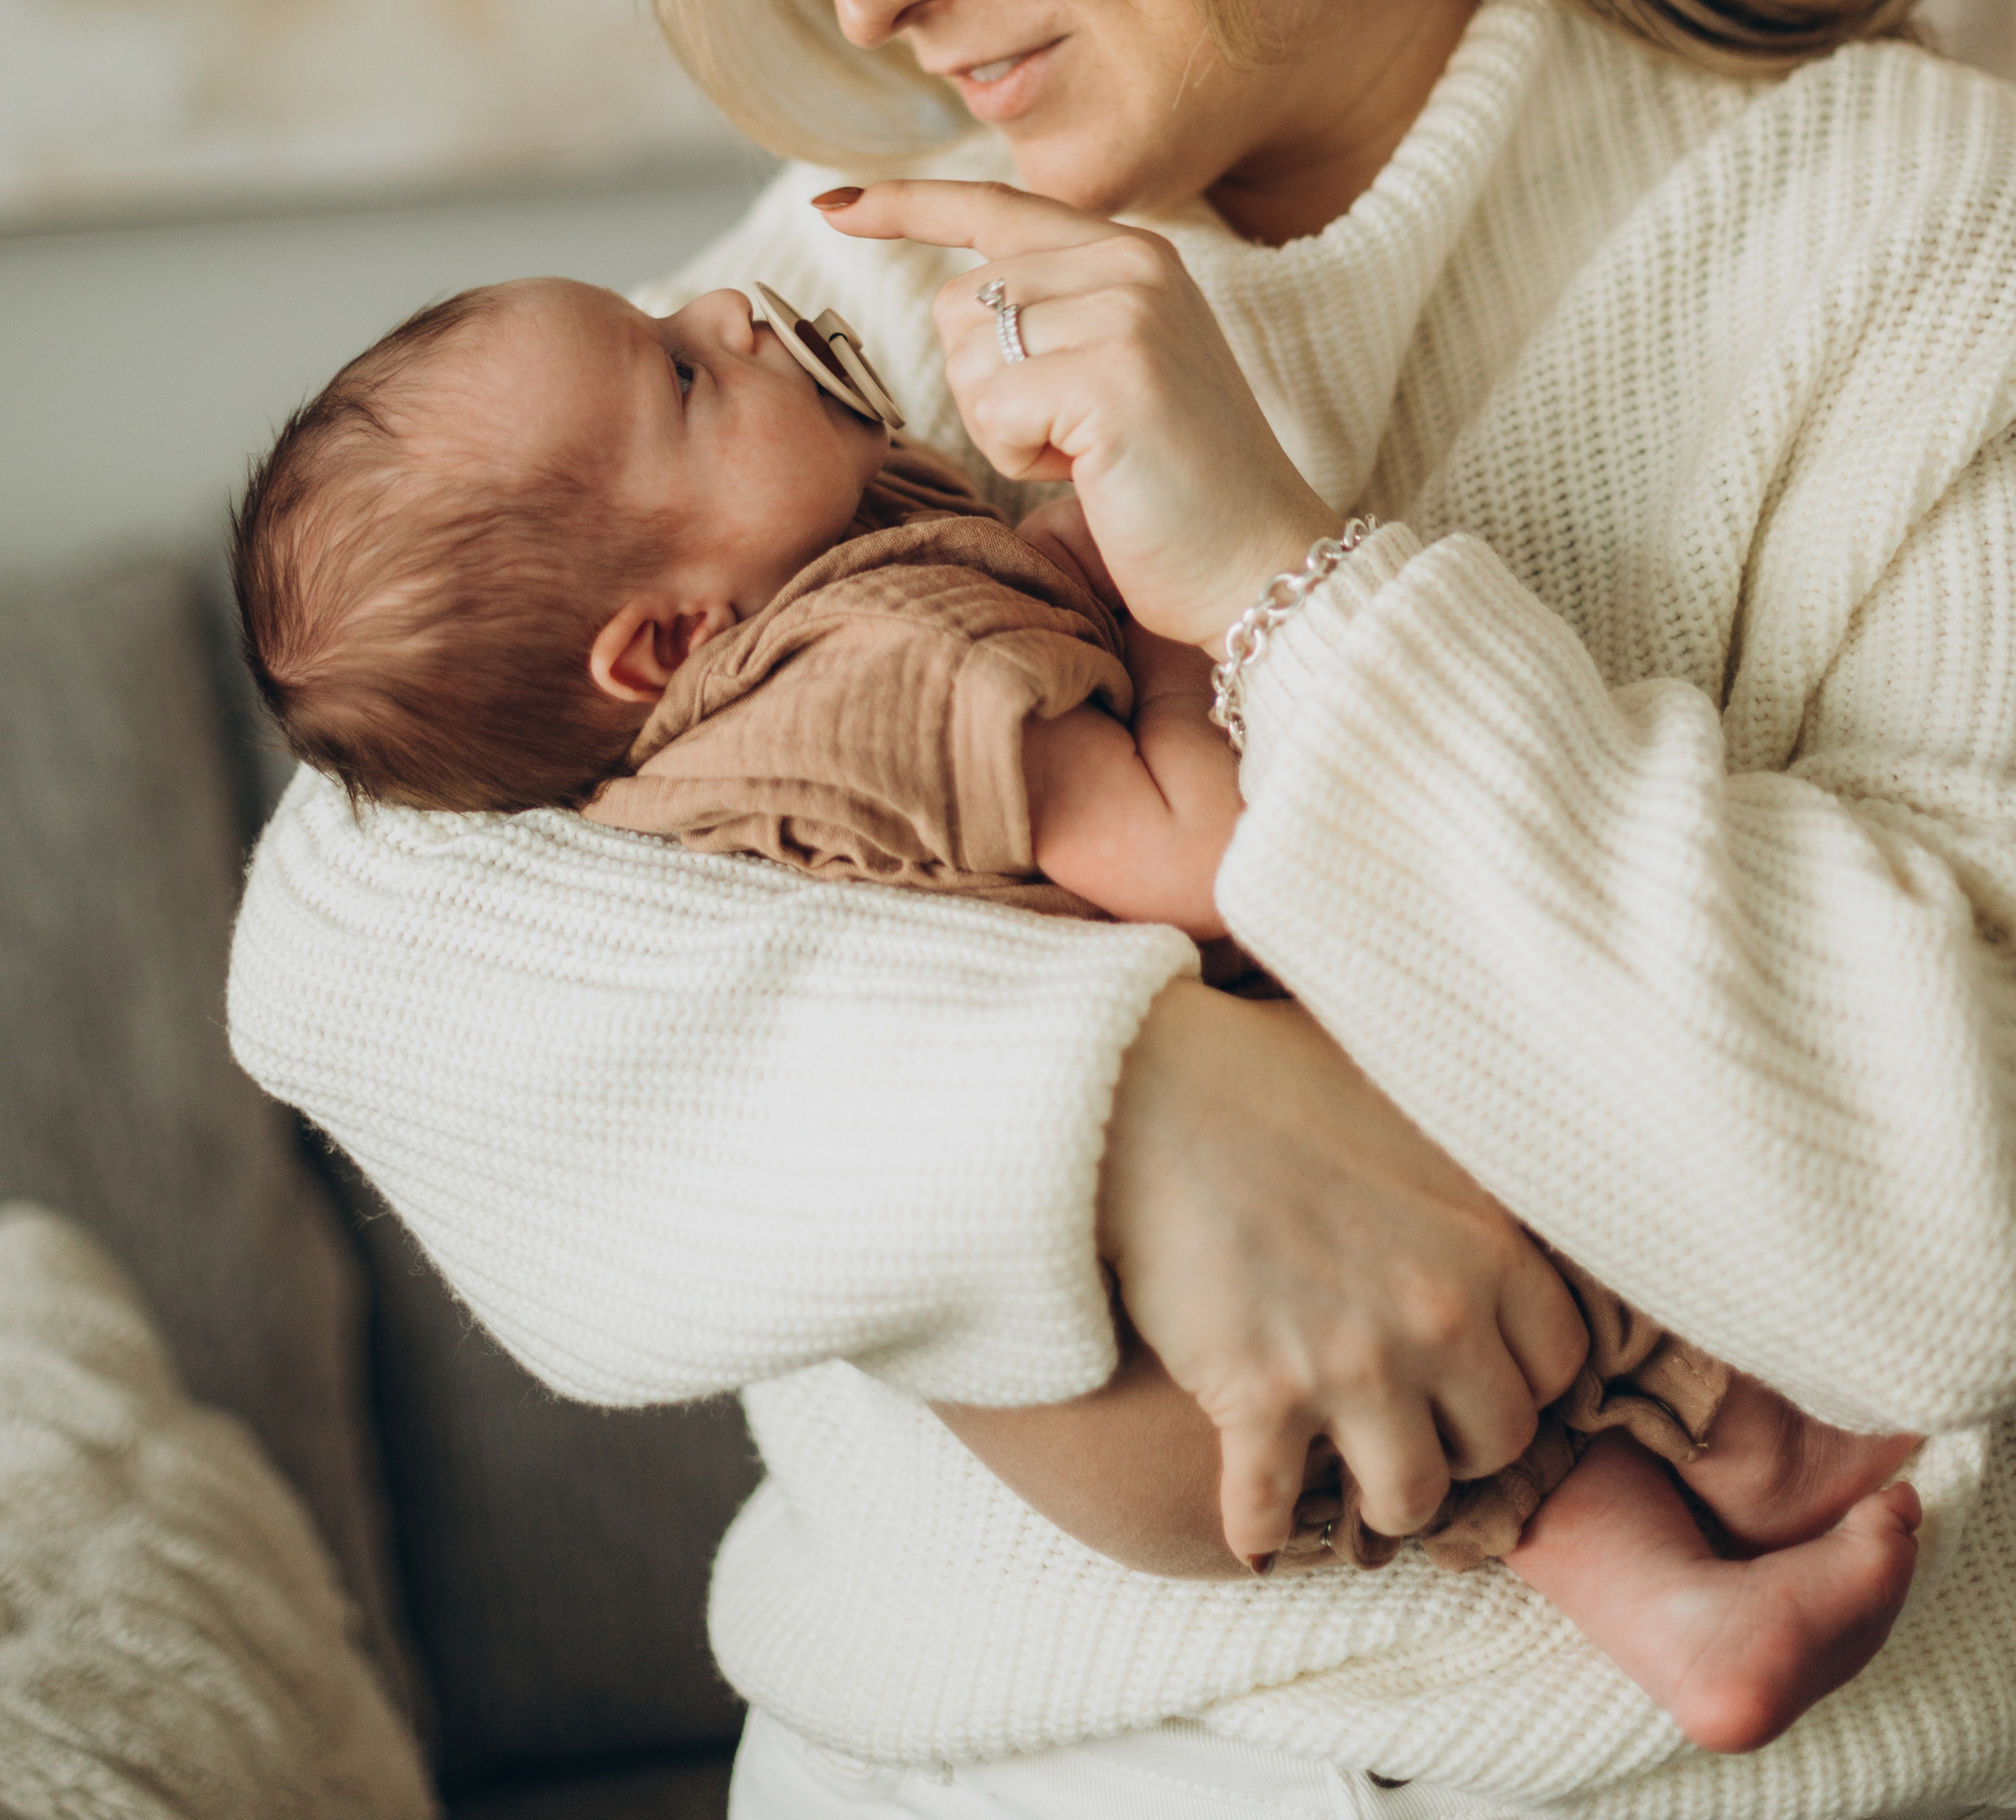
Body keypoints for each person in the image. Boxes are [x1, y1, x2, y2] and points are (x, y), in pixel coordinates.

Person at [228, 0, 2016, 1818]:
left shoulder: (1910, 247)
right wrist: (1126, 1116)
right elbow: (356, 929)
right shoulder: (852, 297)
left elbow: (1950, 1217)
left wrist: (1302, 591)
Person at [229, 265, 1922, 1751]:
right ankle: (1758, 1447)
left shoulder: (684, 716)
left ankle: (1685, 1624)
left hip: (1071, 1396)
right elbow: (1198, 860)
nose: (731, 307)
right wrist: (1190, 630)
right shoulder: (885, 651)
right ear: (663, 638)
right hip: (1152, 1358)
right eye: (679, 368)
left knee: (1495, 1459)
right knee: (1514, 1192)